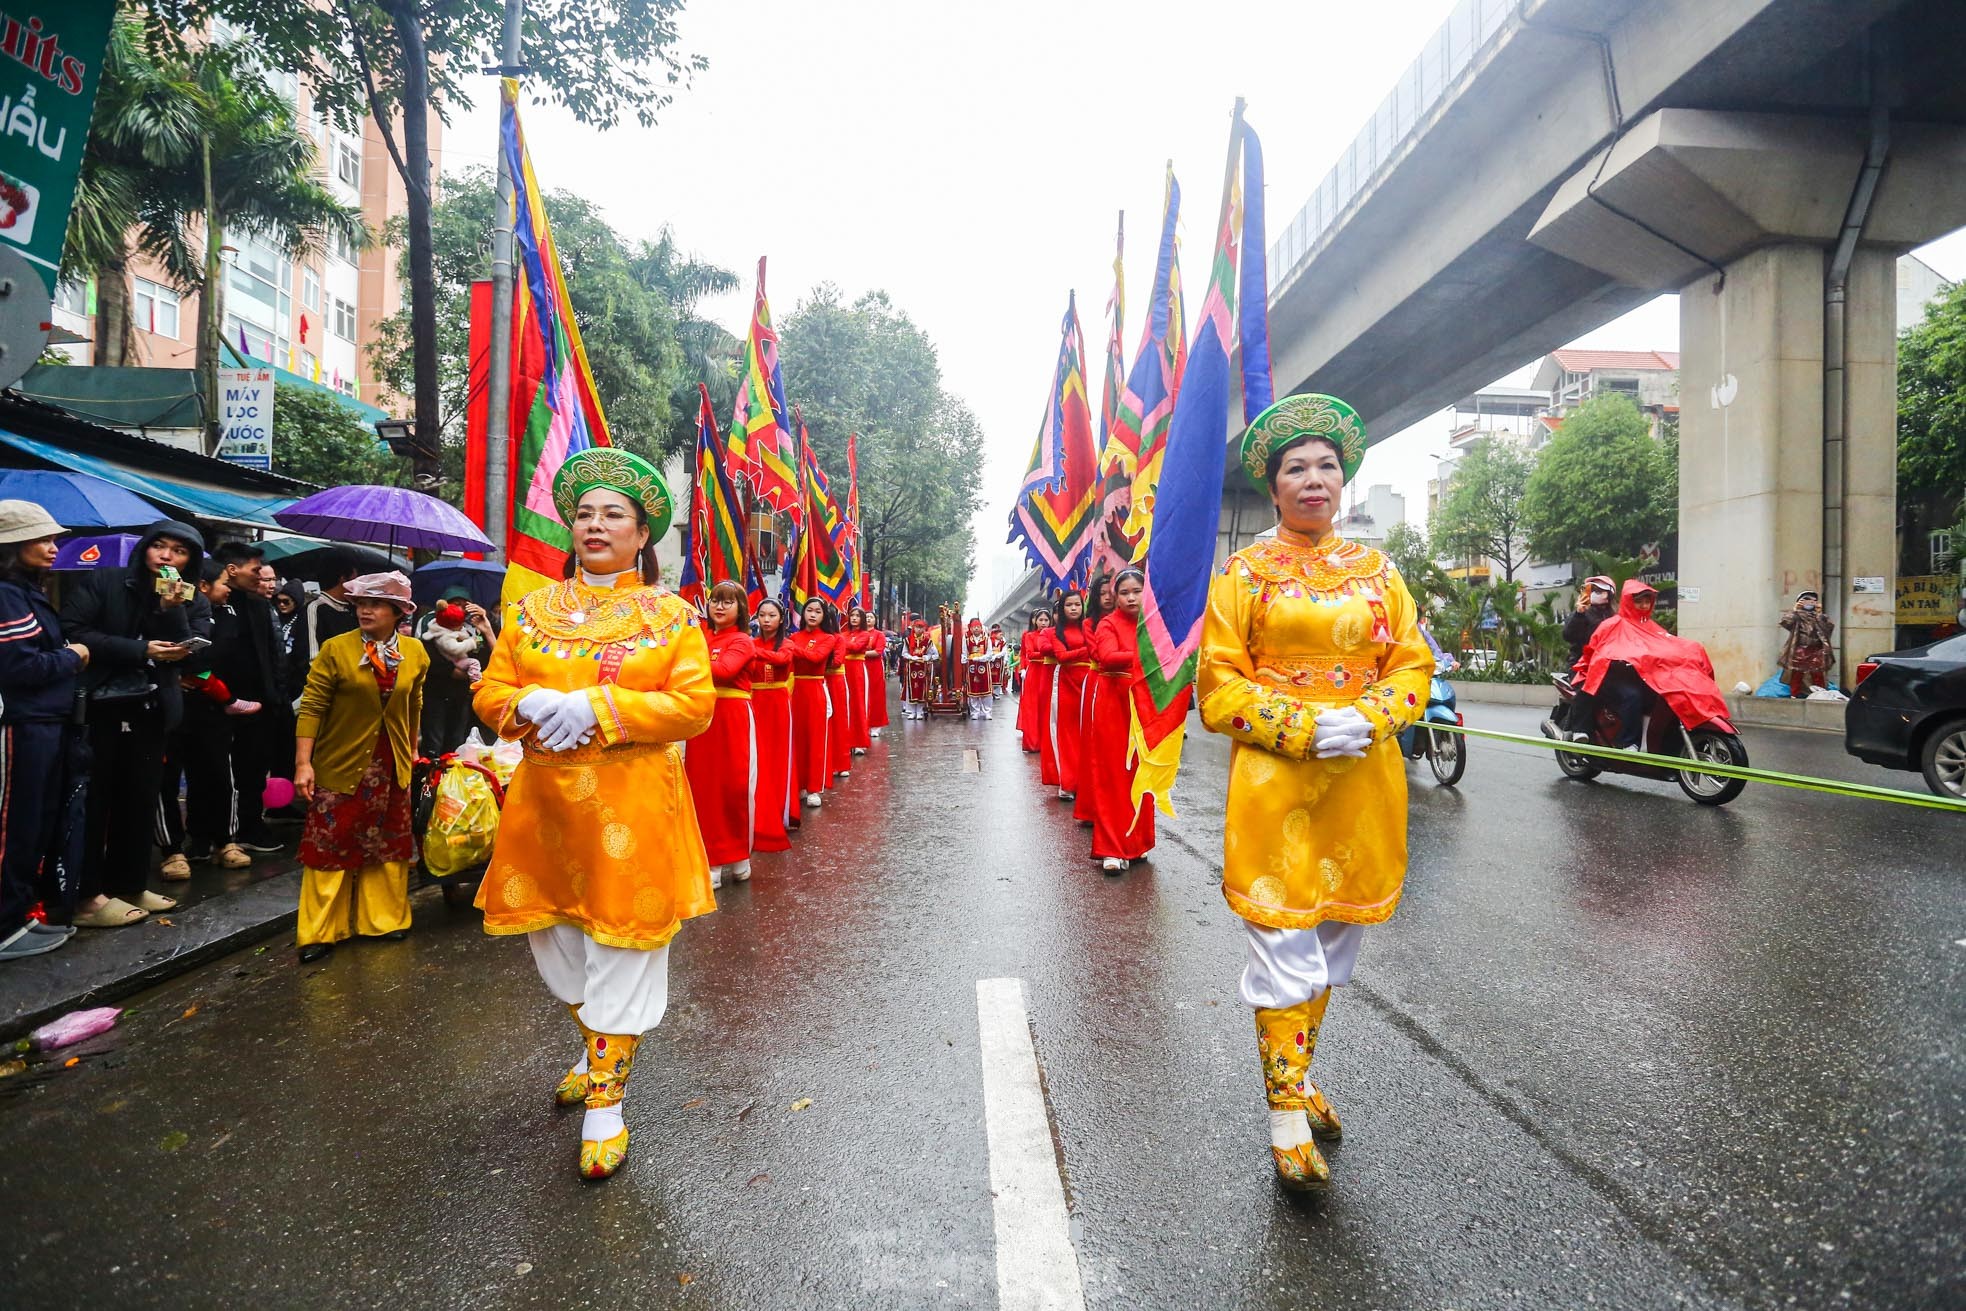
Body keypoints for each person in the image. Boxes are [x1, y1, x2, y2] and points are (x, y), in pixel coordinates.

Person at [1197, 394, 1432, 1194]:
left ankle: (1296, 1078)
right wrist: (1299, 726)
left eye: (1326, 465)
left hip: (1362, 782)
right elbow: (1217, 688)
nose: (1313, 478)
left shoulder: (1380, 572)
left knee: (1331, 948)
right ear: (1273, 486)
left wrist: (1368, 715)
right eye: (1296, 467)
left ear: (1345, 480)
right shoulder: (1243, 573)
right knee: (1283, 946)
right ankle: (1285, 1119)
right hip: (1275, 784)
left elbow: (1413, 665)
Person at [472, 447, 715, 1180]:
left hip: (632, 807)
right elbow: (489, 692)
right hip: (545, 807)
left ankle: (607, 1102)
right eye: (583, 513)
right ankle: (595, 1043)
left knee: (623, 949)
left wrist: (601, 706)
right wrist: (526, 705)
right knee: (556, 945)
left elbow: (694, 706)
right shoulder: (529, 612)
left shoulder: (671, 617)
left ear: (643, 534)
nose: (595, 525)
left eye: (613, 514)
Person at [62, 519, 204, 928]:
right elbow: (73, 630)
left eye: (178, 552)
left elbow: (195, 653)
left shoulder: (190, 598)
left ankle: (129, 883)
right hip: (98, 709)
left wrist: (171, 613)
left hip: (151, 709)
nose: (166, 557)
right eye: (160, 547)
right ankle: (86, 893)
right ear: (145, 549)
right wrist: (139, 649)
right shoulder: (105, 580)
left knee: (139, 799)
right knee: (94, 801)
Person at [291, 572, 427, 963]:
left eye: (376, 604)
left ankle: (383, 921)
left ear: (398, 612)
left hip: (393, 764)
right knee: (330, 844)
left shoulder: (416, 652)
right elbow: (312, 707)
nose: (365, 610)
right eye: (360, 604)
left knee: (388, 843)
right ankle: (320, 932)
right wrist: (303, 763)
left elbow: (414, 705)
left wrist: (413, 749)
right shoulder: (336, 649)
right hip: (342, 763)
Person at [0, 502, 88, 961]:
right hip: (21, 724)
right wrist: (74, 656)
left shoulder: (26, 591)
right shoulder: (7, 595)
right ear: (13, 546)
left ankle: (17, 917)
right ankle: (4, 925)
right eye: (42, 539)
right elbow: (19, 666)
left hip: (44, 721)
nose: (54, 548)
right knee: (12, 825)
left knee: (33, 824)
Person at [158, 561, 261, 878]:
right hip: (167, 706)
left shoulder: (226, 615)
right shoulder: (156, 608)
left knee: (217, 773)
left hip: (209, 709)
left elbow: (215, 652)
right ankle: (172, 850)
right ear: (201, 585)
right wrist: (171, 672)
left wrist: (179, 663)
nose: (228, 587)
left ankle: (224, 841)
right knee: (166, 780)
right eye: (222, 582)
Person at [210, 541, 285, 852]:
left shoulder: (258, 605)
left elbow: (273, 653)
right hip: (213, 703)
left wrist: (275, 696)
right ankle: (216, 835)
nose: (261, 578)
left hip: (257, 703)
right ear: (231, 569)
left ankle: (250, 828)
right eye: (256, 571)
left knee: (253, 769)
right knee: (216, 773)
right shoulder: (208, 602)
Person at [685, 580, 755, 889]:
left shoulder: (742, 640)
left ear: (740, 609)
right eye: (715, 600)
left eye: (728, 601)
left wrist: (689, 656)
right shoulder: (702, 638)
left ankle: (738, 854)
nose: (719, 606)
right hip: (702, 717)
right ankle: (710, 858)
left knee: (733, 787)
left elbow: (725, 670)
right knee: (702, 787)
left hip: (731, 718)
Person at [1090, 568, 1155, 873]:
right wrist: (1146, 654)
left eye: (1136, 591)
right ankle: (1111, 849)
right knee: (1112, 776)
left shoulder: (1154, 622)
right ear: (1114, 597)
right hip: (1113, 706)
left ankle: (1137, 843)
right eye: (1124, 592)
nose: (1131, 597)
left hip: (1144, 706)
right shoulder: (1108, 623)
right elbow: (1107, 657)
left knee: (1142, 776)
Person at [413, 585, 496, 756]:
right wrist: (450, 670)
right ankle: (429, 779)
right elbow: (423, 655)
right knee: (433, 742)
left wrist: (486, 623)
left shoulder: (473, 625)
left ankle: (451, 778)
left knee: (457, 741)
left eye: (465, 604)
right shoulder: (430, 623)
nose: (460, 608)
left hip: (462, 695)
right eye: (455, 603)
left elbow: (492, 654)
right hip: (435, 692)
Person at [748, 598, 796, 851]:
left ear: (781, 620)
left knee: (777, 758)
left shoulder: (787, 644)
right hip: (753, 702)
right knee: (756, 758)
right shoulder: (750, 642)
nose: (766, 620)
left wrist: (752, 651)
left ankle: (778, 809)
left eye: (772, 616)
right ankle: (756, 811)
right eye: (762, 615)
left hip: (777, 704)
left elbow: (780, 660)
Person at [1073, 572, 1115, 826]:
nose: (1108, 598)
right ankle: (1092, 808)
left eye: (1112, 592)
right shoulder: (1090, 624)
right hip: (1099, 683)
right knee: (1095, 745)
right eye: (1102, 593)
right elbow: (1098, 655)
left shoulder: (1134, 619)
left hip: (1126, 686)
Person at [789, 598, 839, 803]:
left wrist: (792, 648)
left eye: (817, 611)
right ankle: (798, 784)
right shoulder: (793, 636)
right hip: (794, 690)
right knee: (796, 738)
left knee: (816, 738)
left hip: (815, 689)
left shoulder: (828, 638)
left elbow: (816, 658)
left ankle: (814, 788)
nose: (812, 614)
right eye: (809, 610)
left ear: (823, 616)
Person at [1049, 591, 1093, 800]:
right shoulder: (1056, 632)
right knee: (1067, 735)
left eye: (1078, 604)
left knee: (1089, 735)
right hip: (1067, 684)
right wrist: (1086, 650)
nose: (1074, 608)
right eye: (1069, 605)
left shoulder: (1091, 626)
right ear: (1062, 609)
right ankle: (1068, 783)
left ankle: (1087, 784)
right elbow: (1062, 657)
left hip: (1090, 683)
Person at [303, 553, 362, 661]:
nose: (356, 585)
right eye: (354, 580)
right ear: (343, 579)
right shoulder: (315, 608)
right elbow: (311, 657)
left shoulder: (355, 610)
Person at [1778, 590, 1834, 698]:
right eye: (1807, 600)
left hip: (1816, 649)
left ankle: (1821, 695)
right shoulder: (1796, 616)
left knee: (1817, 673)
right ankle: (1794, 695)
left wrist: (1819, 614)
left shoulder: (1819, 616)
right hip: (1800, 649)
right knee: (1797, 673)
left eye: (1814, 601)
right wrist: (1795, 610)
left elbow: (1828, 628)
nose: (1811, 603)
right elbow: (1785, 622)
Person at [824, 603, 852, 783]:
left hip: (835, 681)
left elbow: (837, 661)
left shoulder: (838, 639)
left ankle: (841, 762)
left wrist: (816, 658)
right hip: (820, 681)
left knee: (839, 720)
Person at [1017, 609, 1053, 752]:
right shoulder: (1029, 636)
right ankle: (1033, 743)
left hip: (1048, 672)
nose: (1043, 623)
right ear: (1035, 621)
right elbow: (1031, 654)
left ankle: (1047, 743)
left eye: (1046, 620)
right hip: (1034, 673)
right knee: (1033, 708)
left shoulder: (1053, 634)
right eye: (1041, 620)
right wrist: (1050, 653)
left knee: (1047, 707)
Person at [843, 606, 874, 754]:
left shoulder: (864, 634)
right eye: (852, 615)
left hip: (857, 671)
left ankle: (860, 741)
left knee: (858, 703)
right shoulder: (844, 634)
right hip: (844, 670)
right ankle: (847, 740)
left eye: (857, 616)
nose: (854, 618)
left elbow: (856, 647)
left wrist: (840, 642)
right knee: (845, 705)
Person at [900, 616, 934, 720]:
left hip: (923, 667)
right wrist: (911, 657)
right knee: (911, 689)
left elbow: (931, 654)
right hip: (911, 667)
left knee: (921, 689)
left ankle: (920, 711)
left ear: (924, 629)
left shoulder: (928, 641)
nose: (919, 629)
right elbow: (904, 653)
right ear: (913, 628)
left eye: (921, 627)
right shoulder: (907, 640)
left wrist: (925, 657)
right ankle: (911, 711)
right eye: (917, 627)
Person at [964, 618, 994, 719]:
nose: (976, 629)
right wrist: (964, 659)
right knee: (973, 690)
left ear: (981, 628)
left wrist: (981, 658)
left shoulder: (986, 639)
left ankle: (987, 711)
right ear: (971, 629)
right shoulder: (967, 640)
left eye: (978, 627)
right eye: (974, 627)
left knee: (986, 689)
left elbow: (990, 653)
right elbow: (964, 653)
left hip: (984, 666)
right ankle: (975, 712)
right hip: (972, 667)